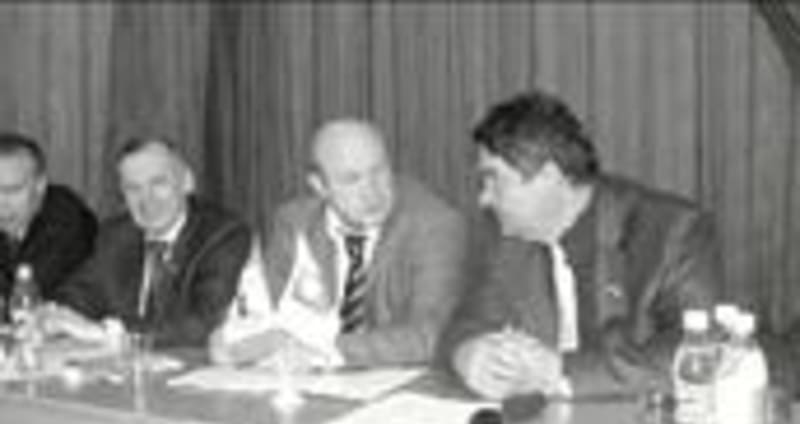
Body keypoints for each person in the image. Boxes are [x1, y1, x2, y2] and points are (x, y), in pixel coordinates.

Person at [437, 90, 720, 400]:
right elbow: (465, 323)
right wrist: (467, 354)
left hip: (644, 418)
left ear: (548, 176)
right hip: (543, 422)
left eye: (494, 180)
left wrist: (561, 372)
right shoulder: (511, 239)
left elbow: (697, 349)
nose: (484, 199)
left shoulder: (672, 231)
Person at [212, 119, 468, 369]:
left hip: (402, 385)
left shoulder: (434, 225)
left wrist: (325, 351)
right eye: (351, 179)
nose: (372, 192)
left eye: (379, 171)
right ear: (319, 186)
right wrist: (233, 340)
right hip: (310, 382)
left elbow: (431, 335)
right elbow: (259, 312)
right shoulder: (295, 222)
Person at [40, 138, 251, 350]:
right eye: (133, 188)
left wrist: (105, 333)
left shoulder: (223, 236)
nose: (147, 200)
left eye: (158, 184)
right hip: (127, 365)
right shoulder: (116, 235)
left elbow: (201, 324)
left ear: (187, 182)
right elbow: (81, 293)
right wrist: (51, 315)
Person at [0, 132, 97, 301]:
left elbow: (30, 293)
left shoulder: (67, 220)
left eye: (13, 190)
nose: (2, 204)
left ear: (40, 186)